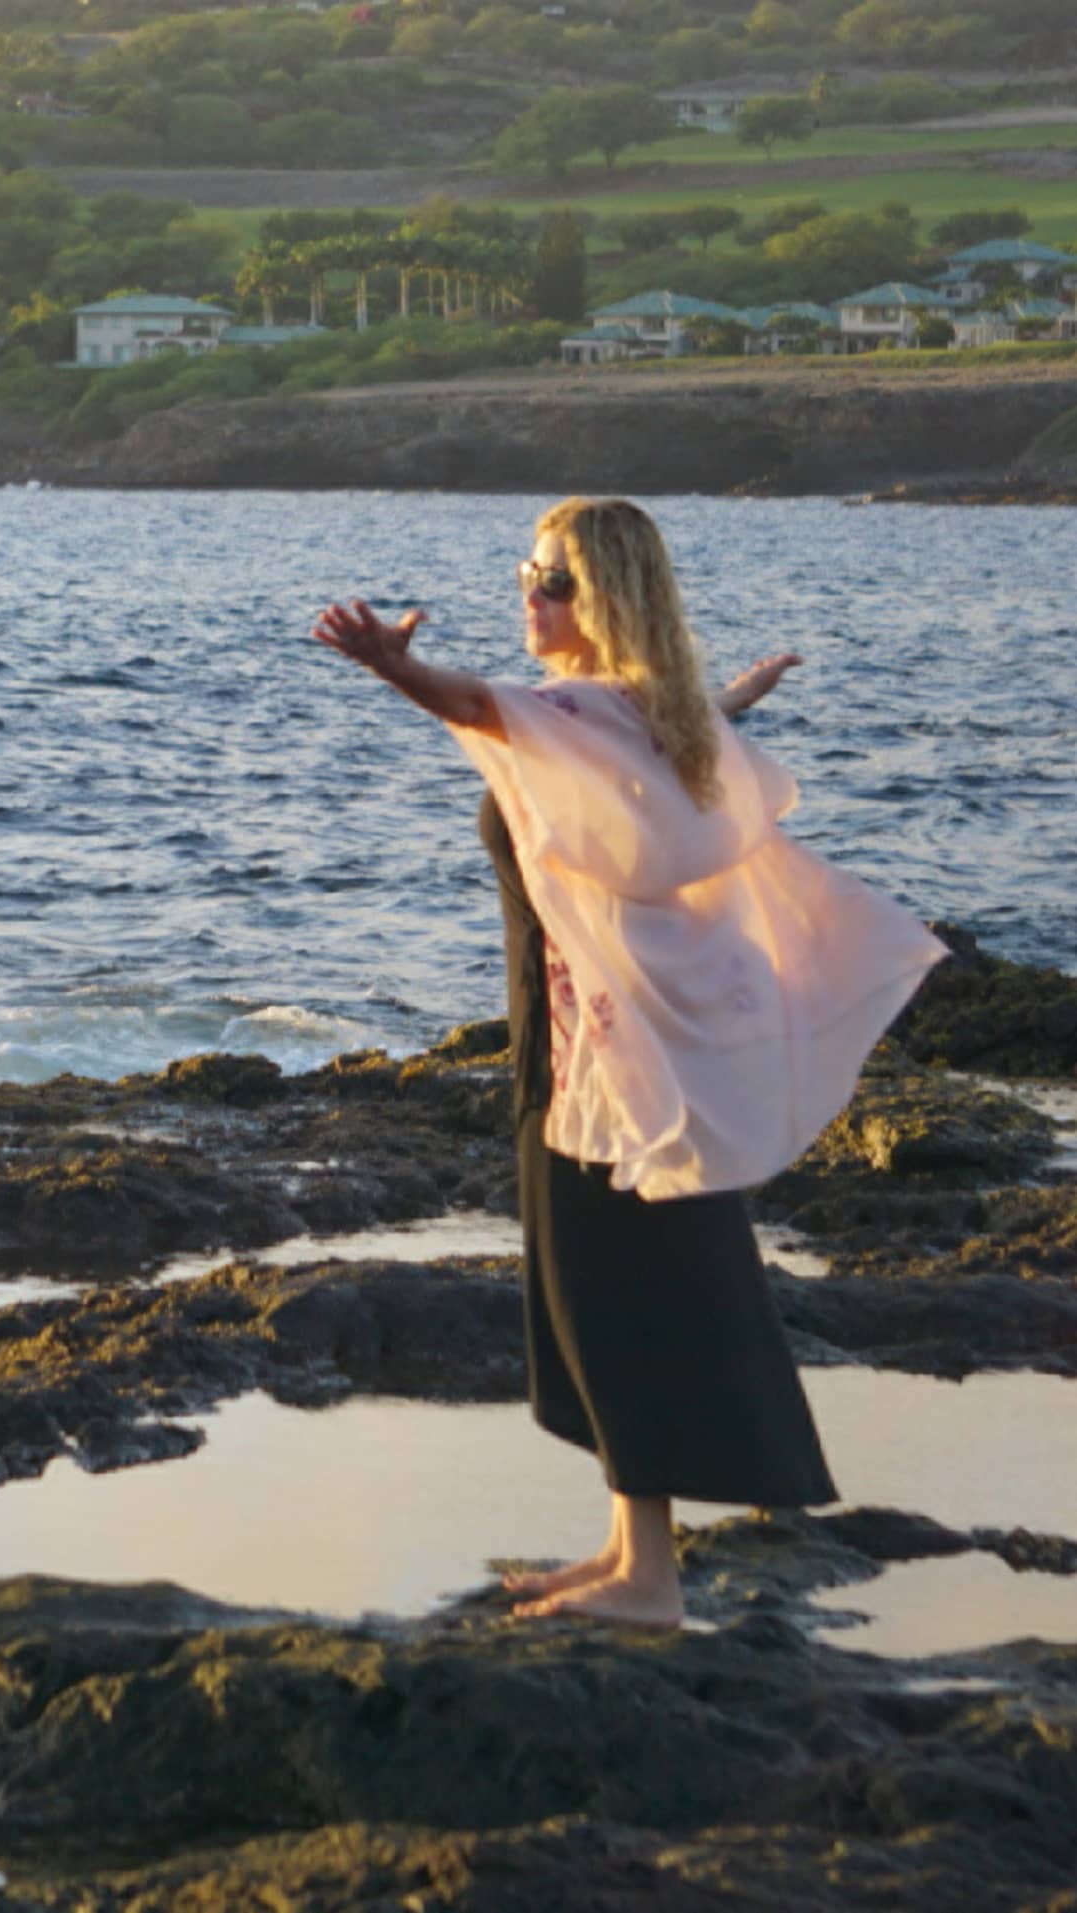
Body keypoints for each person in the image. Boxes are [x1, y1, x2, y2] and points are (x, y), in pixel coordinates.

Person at [312, 496, 945, 1630]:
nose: (529, 593)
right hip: (587, 1040)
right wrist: (736, 695)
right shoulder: (647, 710)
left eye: (552, 580)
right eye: (525, 570)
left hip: (596, 1055)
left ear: (604, 598)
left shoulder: (585, 710)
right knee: (607, 1290)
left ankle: (649, 1581)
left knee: (615, 1293)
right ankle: (625, 1546)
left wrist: (387, 666)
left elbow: (475, 701)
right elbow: (665, 718)